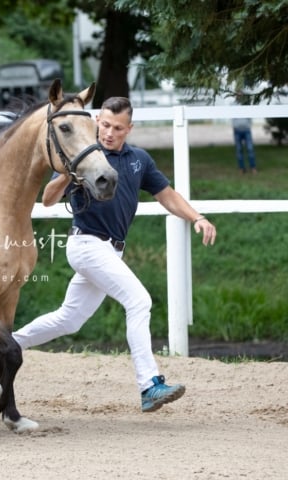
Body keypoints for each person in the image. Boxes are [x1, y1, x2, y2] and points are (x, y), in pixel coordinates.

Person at [12, 96, 217, 413]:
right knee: (139, 301)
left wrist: (197, 218)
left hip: (112, 250)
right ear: (96, 121)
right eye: (105, 125)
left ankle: (6, 343)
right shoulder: (85, 156)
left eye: (117, 128)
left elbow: (167, 195)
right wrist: (69, 172)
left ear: (129, 129)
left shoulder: (139, 160)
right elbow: (50, 199)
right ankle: (149, 385)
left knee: (70, 319)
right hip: (86, 245)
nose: (109, 133)